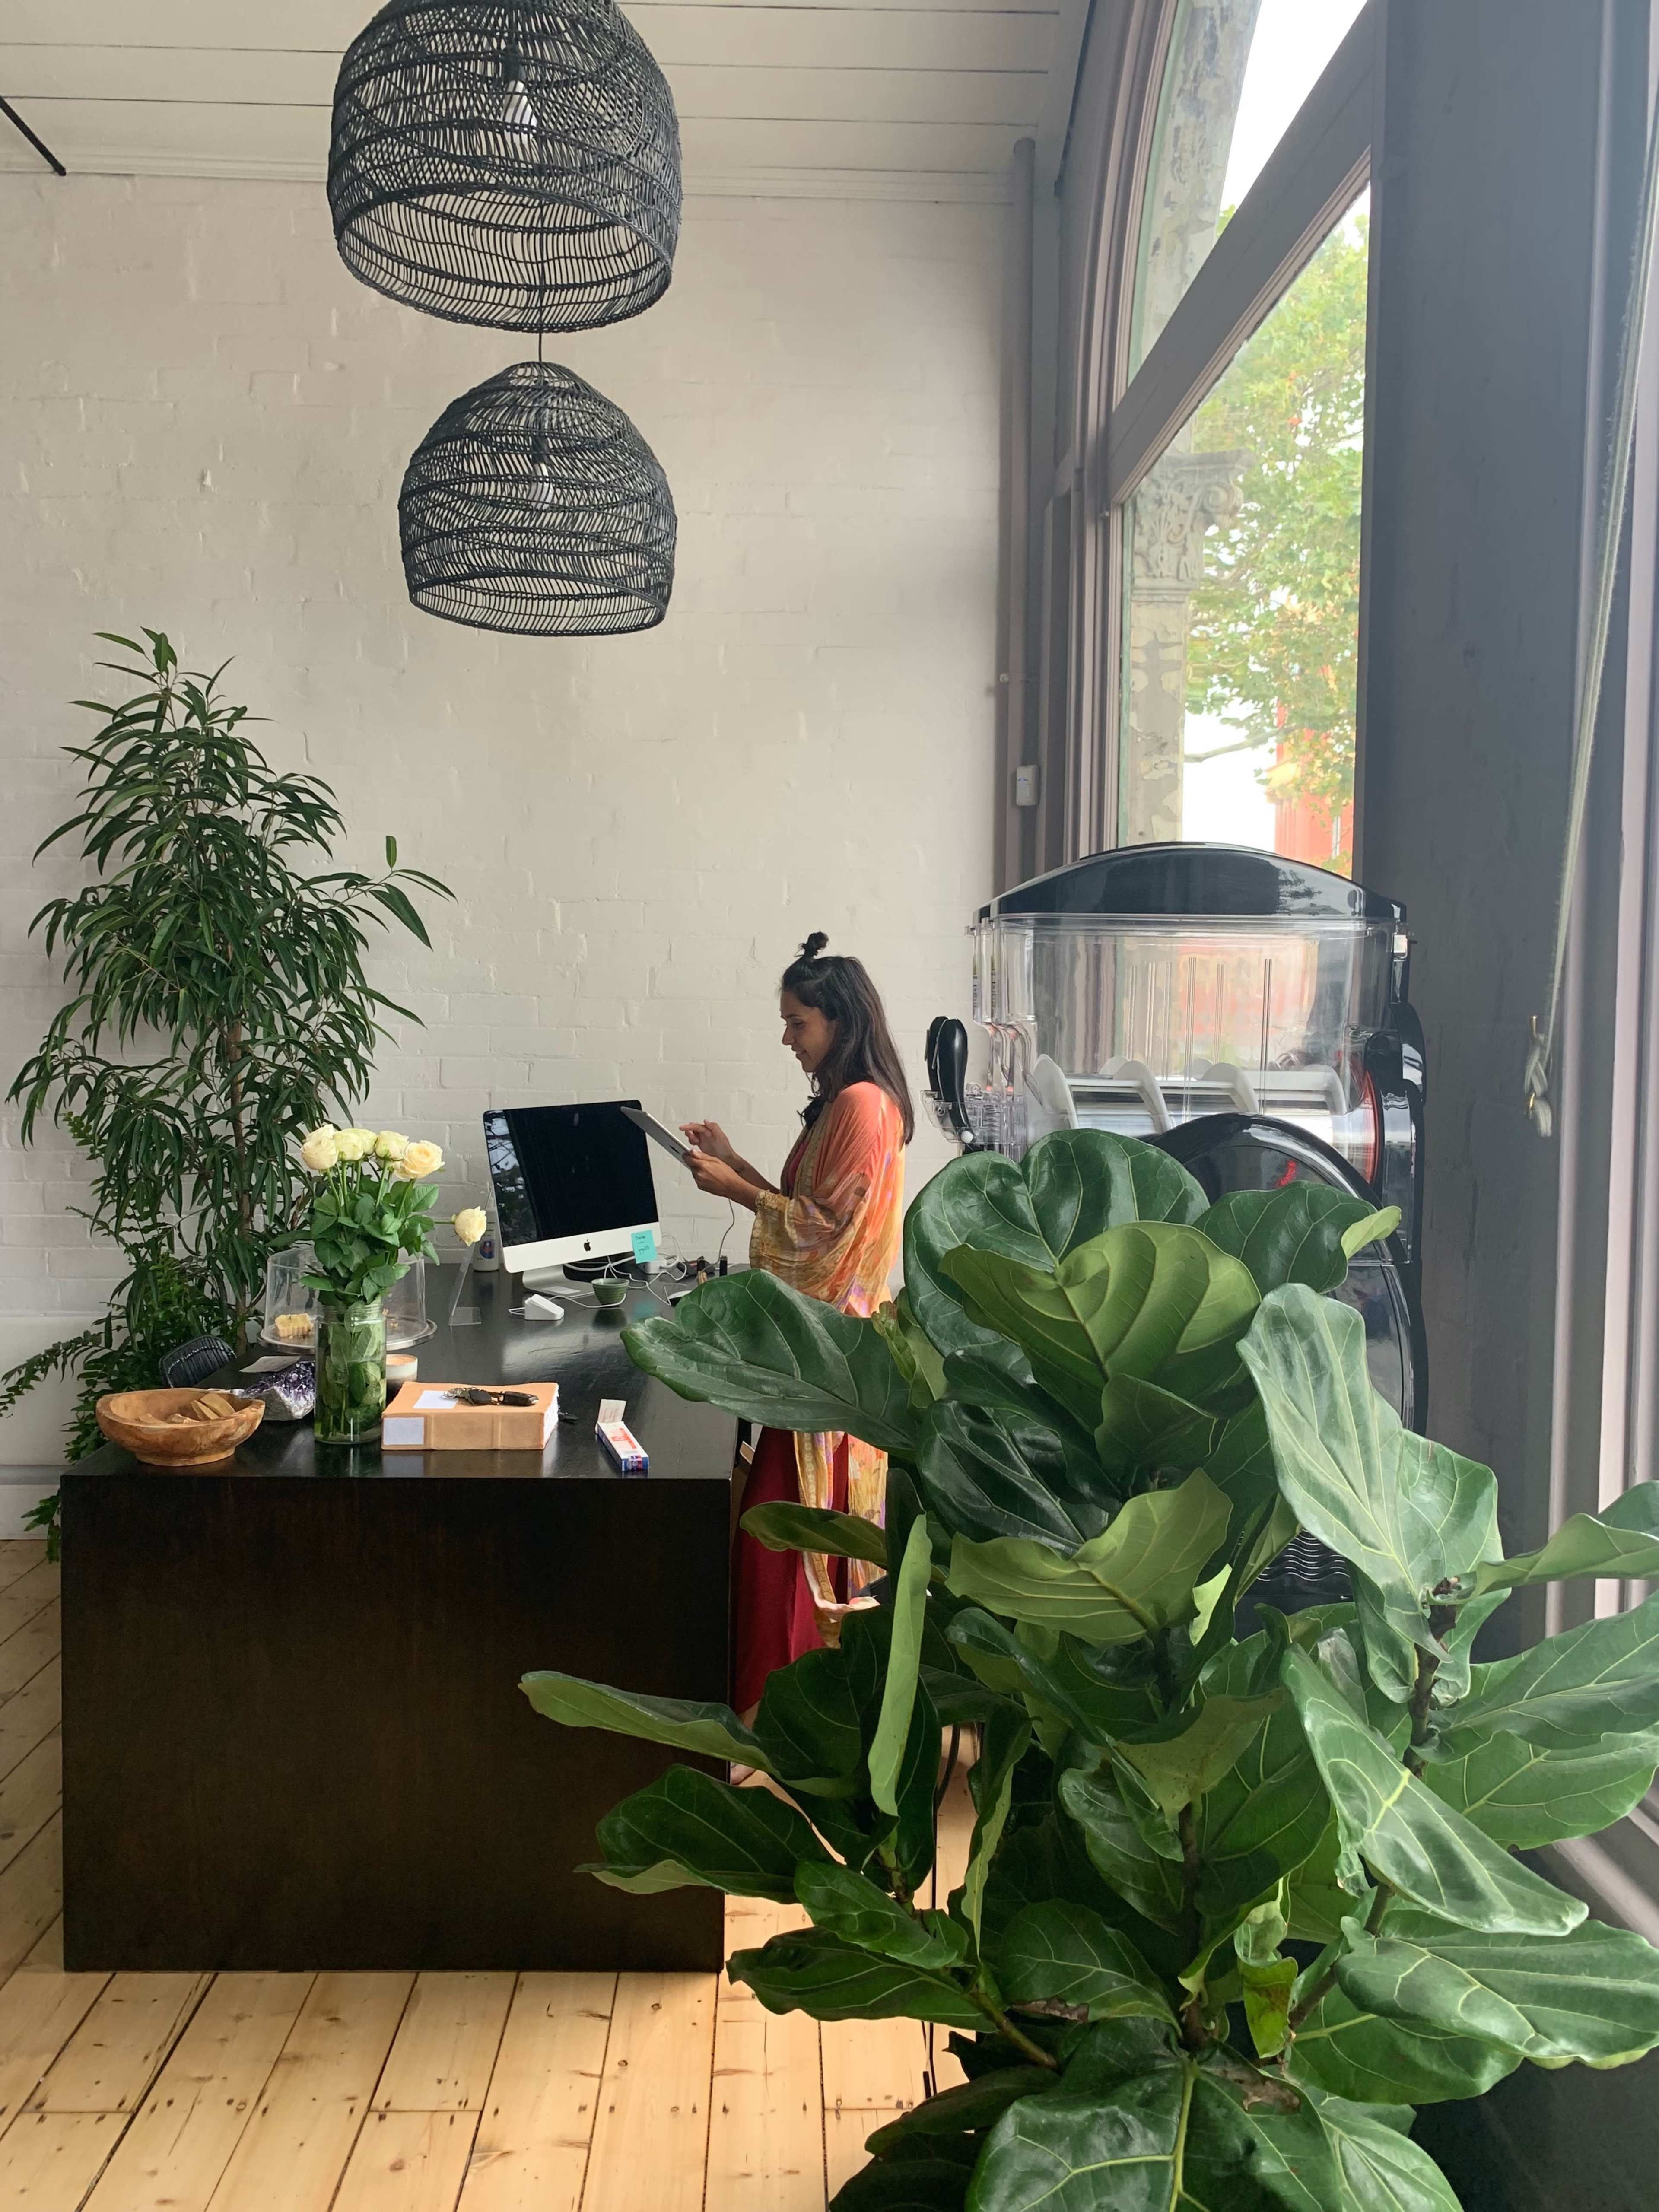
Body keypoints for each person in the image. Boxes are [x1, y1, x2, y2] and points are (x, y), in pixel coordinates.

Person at [682, 933, 913, 1718]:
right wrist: (735, 1164)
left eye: (798, 1023)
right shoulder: (858, 1102)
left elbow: (820, 1235)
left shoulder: (858, 1104)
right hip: (826, 1355)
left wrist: (736, 1193)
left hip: (829, 1361)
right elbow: (812, 1214)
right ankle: (774, 1712)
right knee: (781, 1539)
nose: (787, 1039)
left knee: (780, 1546)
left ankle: (773, 1717)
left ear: (841, 1022)